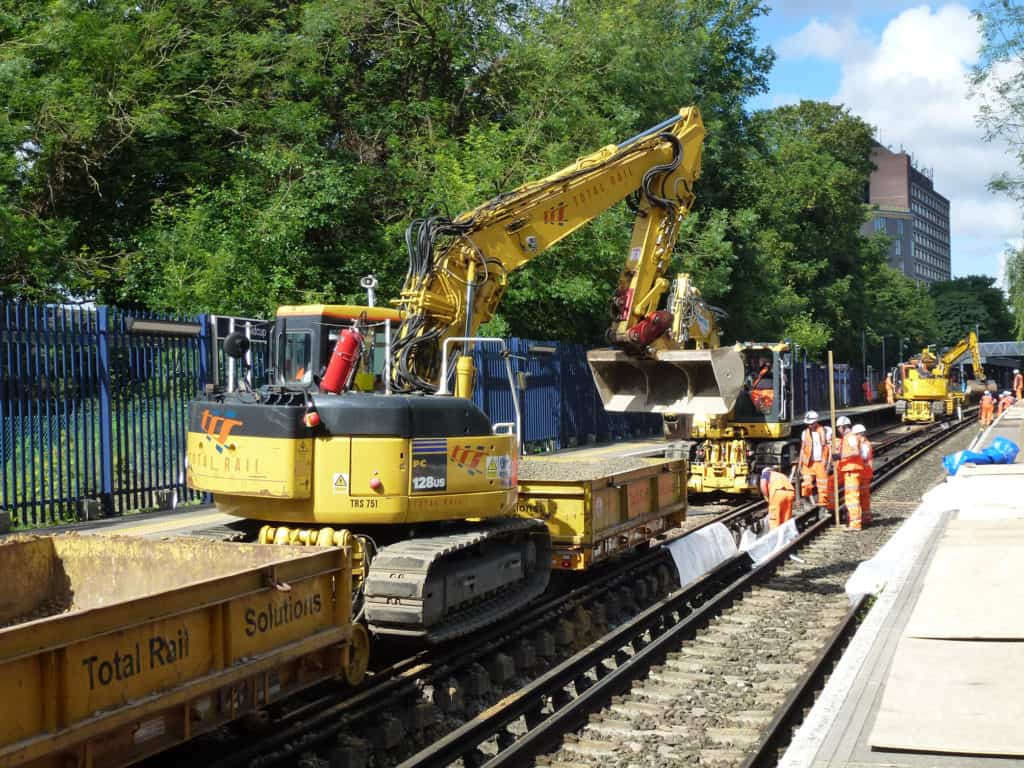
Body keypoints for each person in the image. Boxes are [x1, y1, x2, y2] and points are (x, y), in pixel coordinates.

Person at [834, 416, 865, 530]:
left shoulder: (851, 437)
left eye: (839, 428)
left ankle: (855, 524)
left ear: (843, 427)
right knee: (851, 498)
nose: (838, 430)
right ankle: (854, 521)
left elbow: (855, 451)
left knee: (852, 499)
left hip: (852, 470)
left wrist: (840, 456)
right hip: (850, 470)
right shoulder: (847, 437)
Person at [799, 411, 832, 511]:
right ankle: (806, 501)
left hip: (820, 463)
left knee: (822, 486)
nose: (810, 425)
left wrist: (828, 464)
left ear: (816, 421)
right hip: (808, 463)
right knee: (806, 484)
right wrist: (800, 463)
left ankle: (823, 506)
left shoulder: (825, 431)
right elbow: (802, 448)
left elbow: (829, 448)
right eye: (808, 423)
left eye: (812, 423)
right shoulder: (805, 433)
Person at [851, 424, 873, 528]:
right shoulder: (867, 443)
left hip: (862, 473)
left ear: (859, 434)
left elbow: (863, 457)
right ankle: (866, 518)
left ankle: (859, 520)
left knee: (858, 497)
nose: (854, 436)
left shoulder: (863, 444)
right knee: (865, 497)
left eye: (855, 435)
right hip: (866, 473)